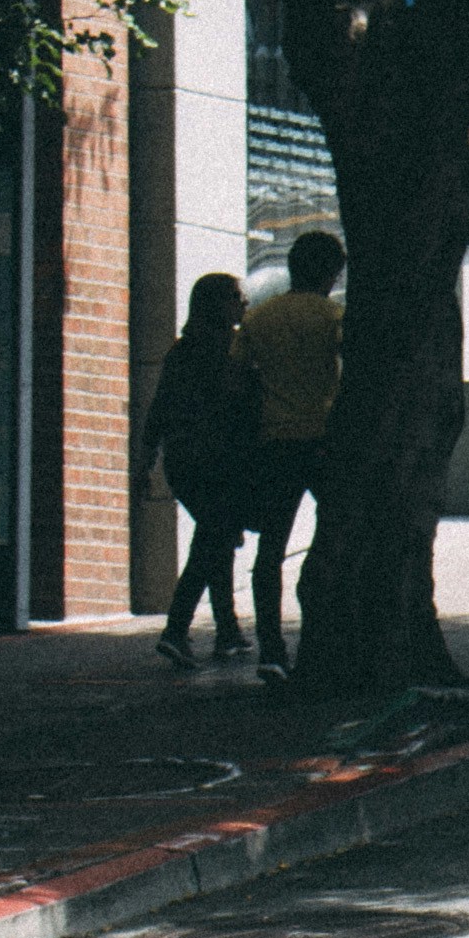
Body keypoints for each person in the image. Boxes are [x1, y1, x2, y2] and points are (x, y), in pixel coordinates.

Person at [231, 229, 347, 671]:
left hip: (276, 443)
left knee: (271, 551)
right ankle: (328, 636)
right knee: (338, 534)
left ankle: (271, 647)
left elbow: (236, 382)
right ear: (332, 273)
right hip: (324, 441)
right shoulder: (334, 316)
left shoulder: (260, 320)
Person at [135, 275, 262, 666]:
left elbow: (158, 413)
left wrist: (146, 463)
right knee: (212, 543)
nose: (244, 304)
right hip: (220, 461)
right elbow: (247, 407)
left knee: (217, 539)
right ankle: (176, 629)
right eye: (237, 298)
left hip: (184, 463)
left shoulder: (181, 351)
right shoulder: (232, 351)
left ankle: (228, 631)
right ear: (217, 303)